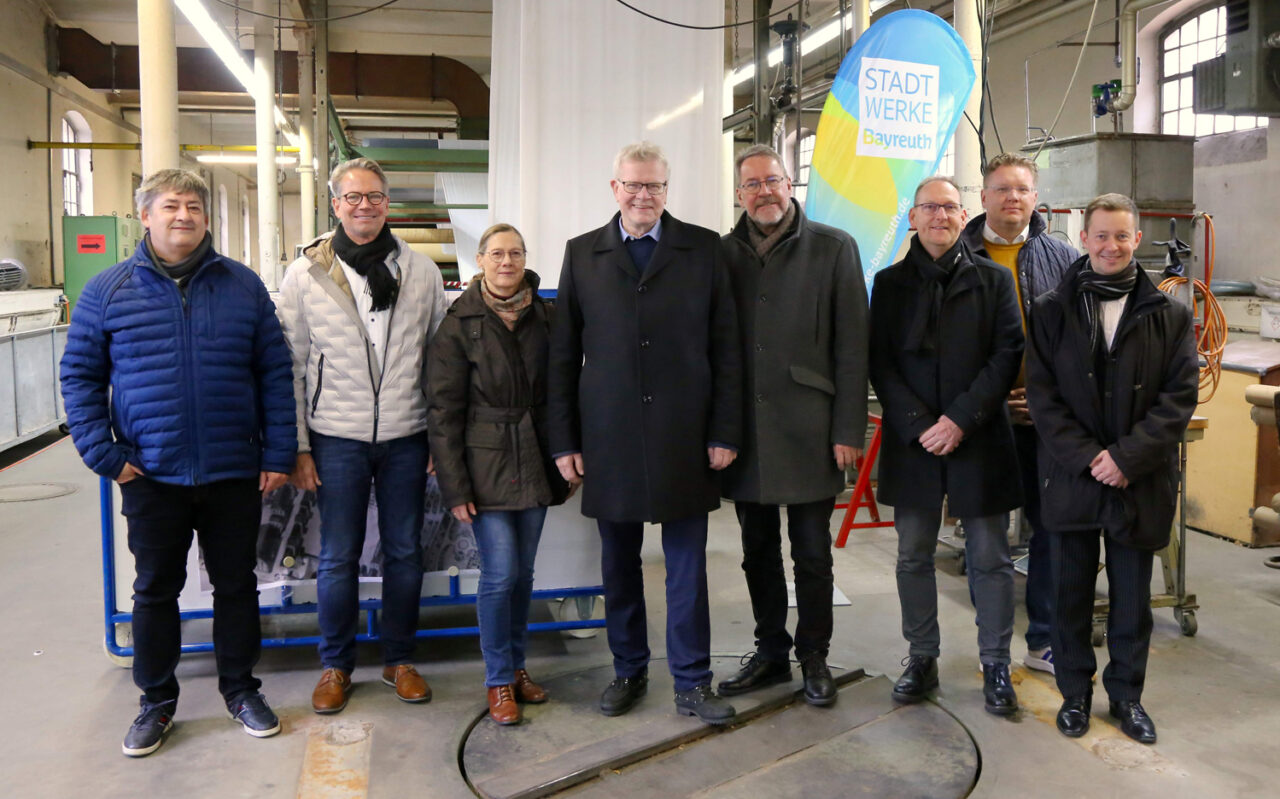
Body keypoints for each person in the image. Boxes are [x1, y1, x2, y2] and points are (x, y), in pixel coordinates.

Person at [60, 168, 296, 756]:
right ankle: (156, 701)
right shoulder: (108, 291)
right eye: (170, 206)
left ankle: (241, 690)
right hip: (151, 473)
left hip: (232, 469)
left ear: (207, 218)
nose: (182, 216)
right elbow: (80, 376)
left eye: (193, 206)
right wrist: (102, 454)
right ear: (145, 216)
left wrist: (277, 452)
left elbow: (275, 373)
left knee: (236, 587)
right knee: (155, 591)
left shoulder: (243, 287)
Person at [548, 141, 742, 725]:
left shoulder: (705, 248)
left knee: (687, 565)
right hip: (609, 437)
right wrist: (565, 441)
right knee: (619, 565)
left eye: (654, 186)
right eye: (632, 185)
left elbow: (727, 349)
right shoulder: (583, 254)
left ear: (666, 190)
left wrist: (724, 430)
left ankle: (692, 681)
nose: (643, 196)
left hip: (686, 434)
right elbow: (562, 357)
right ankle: (628, 670)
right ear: (614, 190)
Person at [277, 157, 449, 714]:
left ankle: (399, 660)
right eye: (353, 197)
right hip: (336, 437)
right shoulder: (305, 275)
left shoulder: (420, 272)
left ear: (388, 204)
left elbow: (441, 359)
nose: (365, 206)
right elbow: (293, 365)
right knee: (338, 556)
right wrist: (300, 446)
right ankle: (336, 665)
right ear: (335, 204)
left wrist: (436, 439)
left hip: (406, 434)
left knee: (404, 552)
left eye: (374, 196)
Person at [1026, 193, 1197, 744]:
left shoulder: (1169, 313)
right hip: (1073, 477)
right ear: (1084, 238)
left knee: (1131, 600)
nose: (1110, 246)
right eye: (1101, 235)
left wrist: (1125, 458)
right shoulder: (1052, 310)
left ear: (1136, 241)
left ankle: (1127, 699)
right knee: (1070, 594)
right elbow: (1043, 396)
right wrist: (1087, 458)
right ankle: (1075, 696)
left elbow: (1179, 398)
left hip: (1137, 480)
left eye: (1121, 236)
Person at [716, 145, 868, 707]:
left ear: (791, 184)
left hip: (812, 427)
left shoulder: (833, 248)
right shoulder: (721, 254)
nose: (764, 192)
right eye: (752, 184)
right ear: (739, 194)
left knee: (812, 552)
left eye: (773, 180)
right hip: (745, 429)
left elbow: (854, 346)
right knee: (756, 551)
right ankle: (771, 651)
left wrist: (848, 428)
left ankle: (814, 655)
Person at [868, 176, 1025, 717]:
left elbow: (1006, 355)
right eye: (929, 207)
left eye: (950, 207)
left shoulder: (994, 280)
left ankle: (997, 664)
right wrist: (918, 423)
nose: (940, 216)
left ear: (965, 216)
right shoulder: (889, 286)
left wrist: (958, 420)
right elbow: (880, 364)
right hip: (914, 443)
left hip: (978, 438)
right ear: (912, 218)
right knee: (913, 555)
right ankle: (922, 658)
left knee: (990, 558)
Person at [427, 223, 570, 726]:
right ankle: (496, 681)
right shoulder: (458, 323)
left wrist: (568, 454)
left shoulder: (547, 317)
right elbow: (442, 412)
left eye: (515, 253)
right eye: (497, 254)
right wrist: (454, 486)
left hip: (535, 456)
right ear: (480, 262)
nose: (506, 262)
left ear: (525, 258)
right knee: (500, 573)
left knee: (524, 575)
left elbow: (562, 393)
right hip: (483, 460)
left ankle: (517, 669)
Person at [960, 153, 1077, 675]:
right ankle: (990, 648)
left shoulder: (1064, 259)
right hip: (981, 423)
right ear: (982, 197)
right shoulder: (956, 257)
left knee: (1050, 527)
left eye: (1022, 190)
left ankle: (1044, 638)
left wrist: (1049, 398)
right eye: (1002, 189)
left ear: (1036, 198)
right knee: (985, 537)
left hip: (1044, 422)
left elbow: (1081, 342)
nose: (1013, 198)